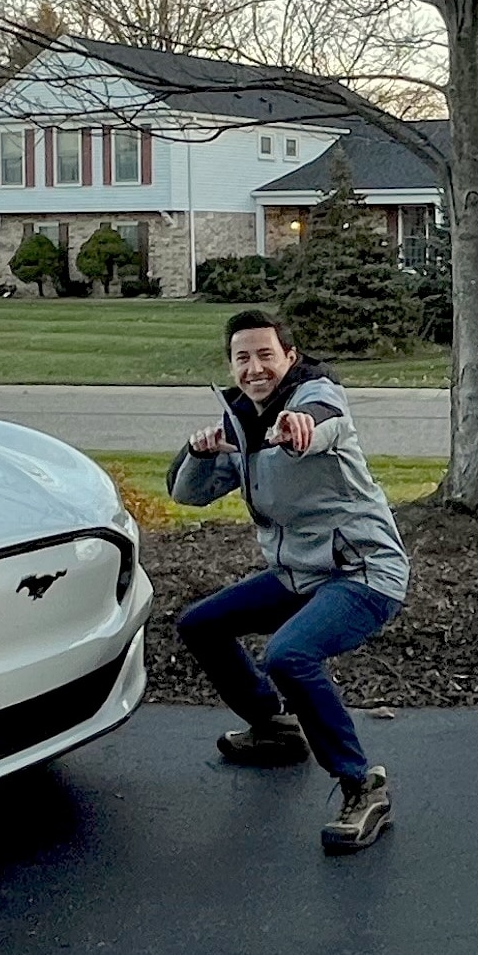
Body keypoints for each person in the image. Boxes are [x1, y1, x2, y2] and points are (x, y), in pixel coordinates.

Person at [169, 308, 413, 853]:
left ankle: (362, 785)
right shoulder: (241, 426)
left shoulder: (316, 399)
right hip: (299, 573)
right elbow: (187, 494)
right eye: (243, 357)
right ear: (232, 366)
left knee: (289, 655)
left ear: (289, 359)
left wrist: (299, 428)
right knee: (201, 624)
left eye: (266, 355)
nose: (255, 368)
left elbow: (322, 421)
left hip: (363, 572)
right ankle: (275, 726)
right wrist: (199, 451)